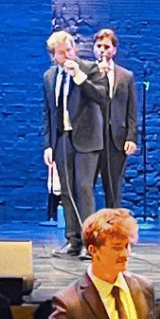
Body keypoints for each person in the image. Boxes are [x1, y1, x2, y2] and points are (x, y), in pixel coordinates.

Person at [42, 30, 108, 257]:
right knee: (67, 191)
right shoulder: (49, 77)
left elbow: (101, 96)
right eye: (61, 53)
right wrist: (48, 145)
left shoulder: (90, 69)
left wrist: (79, 76)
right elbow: (48, 113)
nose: (67, 55)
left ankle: (90, 242)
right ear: (54, 56)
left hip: (87, 138)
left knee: (83, 188)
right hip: (62, 139)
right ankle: (73, 241)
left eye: (69, 50)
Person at [93, 28, 138, 208]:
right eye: (99, 46)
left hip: (116, 138)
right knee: (86, 185)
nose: (102, 50)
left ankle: (112, 226)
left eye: (106, 46)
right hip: (92, 136)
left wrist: (131, 137)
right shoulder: (87, 73)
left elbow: (131, 109)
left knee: (113, 186)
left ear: (114, 50)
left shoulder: (126, 76)